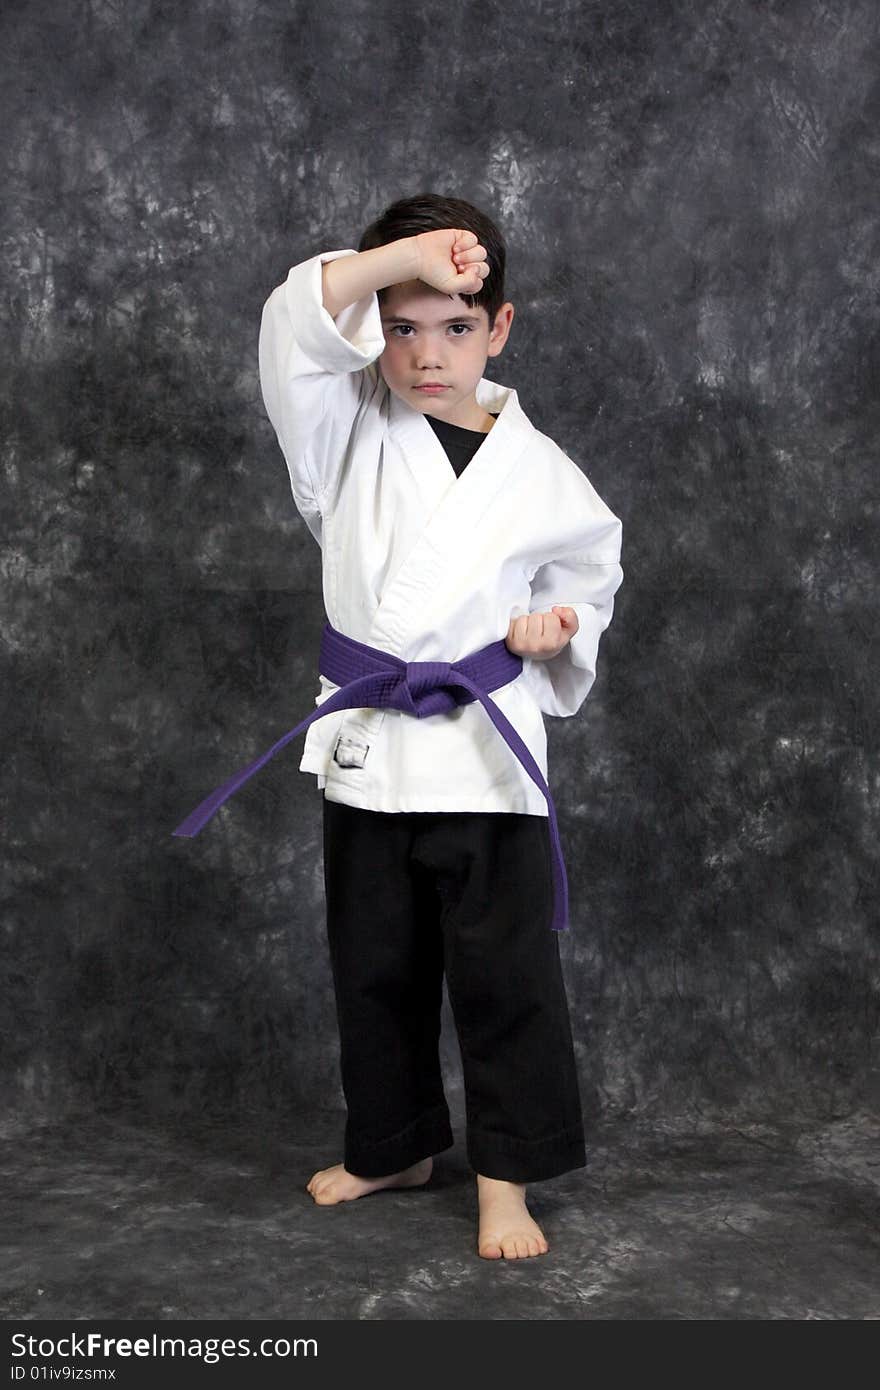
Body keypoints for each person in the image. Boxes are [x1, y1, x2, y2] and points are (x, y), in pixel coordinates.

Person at [258, 192, 624, 1260]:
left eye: (456, 325)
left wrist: (559, 629)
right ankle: (395, 1140)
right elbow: (295, 320)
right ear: (374, 327)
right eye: (402, 325)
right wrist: (404, 258)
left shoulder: (542, 470)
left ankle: (503, 1176)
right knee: (375, 964)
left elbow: (586, 582)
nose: (426, 354)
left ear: (499, 327)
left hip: (486, 753)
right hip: (371, 746)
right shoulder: (339, 429)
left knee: (504, 977)